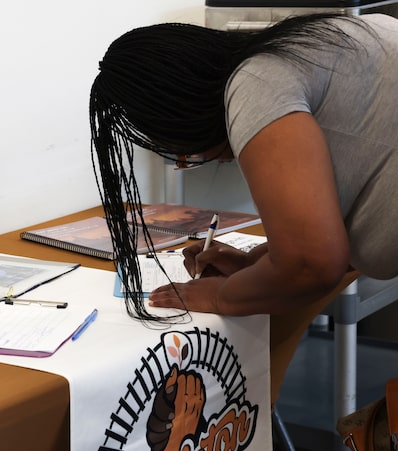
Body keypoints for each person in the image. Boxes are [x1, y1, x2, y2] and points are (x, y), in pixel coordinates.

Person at [90, 13, 398, 323]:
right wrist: (260, 263)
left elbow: (310, 264)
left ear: (179, 116)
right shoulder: (314, 41)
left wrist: (219, 297)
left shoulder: (257, 83)